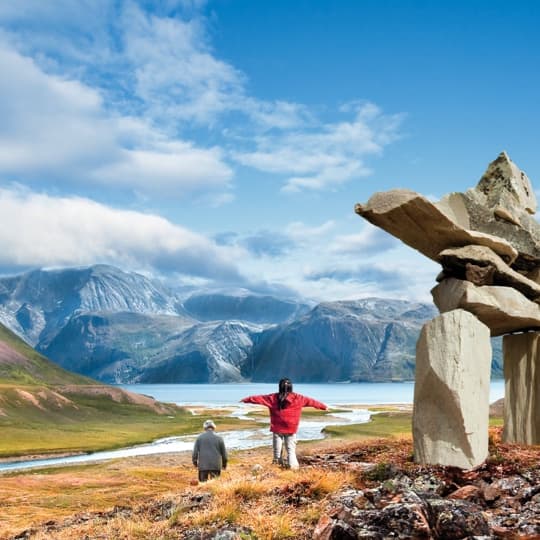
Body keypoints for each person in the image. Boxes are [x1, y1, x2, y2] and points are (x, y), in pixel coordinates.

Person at [240, 378, 328, 469]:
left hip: (277, 428)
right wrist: (323, 407)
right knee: (291, 450)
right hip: (291, 428)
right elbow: (312, 402)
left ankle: (277, 466)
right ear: (291, 387)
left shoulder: (272, 398)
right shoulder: (299, 398)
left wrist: (246, 399)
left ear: (280, 387)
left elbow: (259, 399)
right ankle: (293, 467)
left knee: (277, 451)